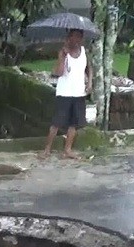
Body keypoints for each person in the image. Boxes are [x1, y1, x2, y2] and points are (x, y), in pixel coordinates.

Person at [40, 28, 93, 160]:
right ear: (69, 38)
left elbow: (89, 68)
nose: (77, 40)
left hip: (79, 92)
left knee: (74, 123)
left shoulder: (84, 52)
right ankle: (47, 149)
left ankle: (67, 149)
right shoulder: (63, 53)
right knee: (57, 122)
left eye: (79, 37)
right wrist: (63, 58)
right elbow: (58, 72)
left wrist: (90, 82)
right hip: (65, 92)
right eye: (74, 37)